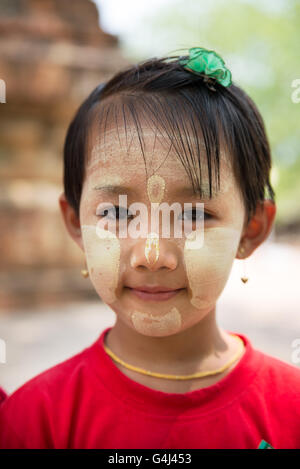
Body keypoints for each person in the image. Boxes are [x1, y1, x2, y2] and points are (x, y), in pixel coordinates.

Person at [0, 47, 299, 449]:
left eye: (193, 215)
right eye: (118, 213)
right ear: (76, 222)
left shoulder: (291, 410)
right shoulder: (34, 421)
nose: (152, 255)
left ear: (252, 229)